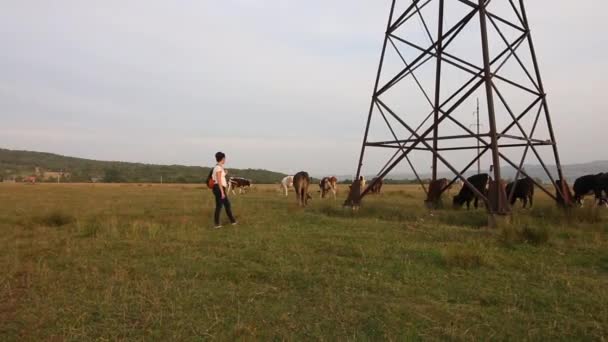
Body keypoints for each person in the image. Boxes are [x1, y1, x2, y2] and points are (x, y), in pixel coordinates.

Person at [211, 152, 237, 228]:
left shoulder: (218, 167)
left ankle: (232, 221)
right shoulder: (218, 168)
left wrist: (225, 173)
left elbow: (220, 177)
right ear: (222, 158)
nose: (225, 160)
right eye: (224, 158)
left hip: (218, 188)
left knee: (225, 205)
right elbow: (218, 180)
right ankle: (218, 224)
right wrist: (222, 192)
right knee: (221, 206)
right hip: (219, 188)